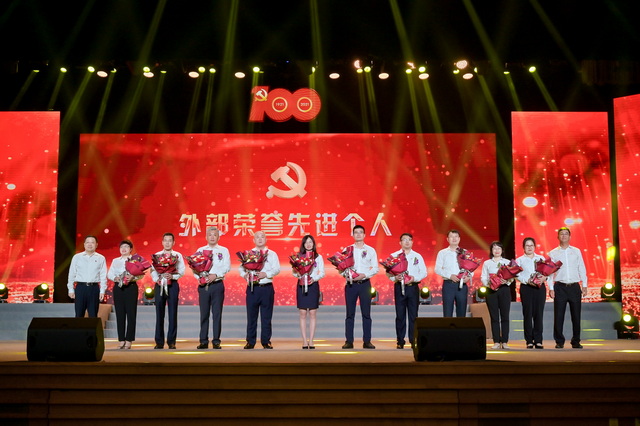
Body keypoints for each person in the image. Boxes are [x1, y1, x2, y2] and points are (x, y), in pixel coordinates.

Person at [548, 227, 588, 349]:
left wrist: (584, 285)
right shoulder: (553, 253)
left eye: (566, 234)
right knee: (558, 315)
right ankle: (559, 341)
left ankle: (576, 341)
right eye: (561, 234)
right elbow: (550, 272)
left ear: (570, 237)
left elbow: (581, 267)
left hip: (574, 287)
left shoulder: (576, 251)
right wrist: (551, 288)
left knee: (576, 316)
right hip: (560, 287)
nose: (564, 236)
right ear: (558, 237)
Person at [239, 231, 280, 349]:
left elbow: (277, 269)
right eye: (257, 237)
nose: (260, 239)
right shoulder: (248, 254)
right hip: (253, 288)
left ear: (266, 239)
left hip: (266, 288)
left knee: (266, 317)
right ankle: (250, 342)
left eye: (262, 237)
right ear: (254, 240)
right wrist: (244, 275)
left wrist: (265, 274)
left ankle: (266, 341)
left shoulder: (272, 254)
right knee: (251, 316)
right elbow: (241, 268)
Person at [387, 233, 427, 349]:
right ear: (400, 242)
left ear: (412, 242)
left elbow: (423, 272)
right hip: (399, 287)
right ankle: (400, 341)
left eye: (409, 239)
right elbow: (388, 273)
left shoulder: (417, 256)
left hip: (413, 287)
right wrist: (395, 277)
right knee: (400, 315)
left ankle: (413, 340)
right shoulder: (394, 256)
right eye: (404, 240)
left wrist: (415, 278)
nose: (407, 242)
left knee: (413, 315)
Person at [342, 225, 379, 350]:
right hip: (351, 285)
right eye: (356, 232)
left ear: (364, 235)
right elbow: (341, 267)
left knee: (366, 314)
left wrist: (364, 275)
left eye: (361, 232)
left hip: (365, 284)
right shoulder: (347, 250)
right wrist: (346, 275)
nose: (358, 234)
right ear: (353, 235)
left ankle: (367, 341)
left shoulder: (370, 250)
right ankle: (349, 341)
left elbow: (375, 268)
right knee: (349, 314)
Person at [196, 227, 230, 350]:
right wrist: (200, 278)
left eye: (214, 235)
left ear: (218, 237)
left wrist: (215, 275)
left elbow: (227, 267)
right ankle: (203, 341)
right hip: (204, 286)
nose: (212, 237)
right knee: (204, 314)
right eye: (210, 235)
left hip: (217, 285)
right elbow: (194, 267)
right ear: (206, 237)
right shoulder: (200, 250)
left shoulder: (223, 250)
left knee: (217, 314)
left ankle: (216, 341)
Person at [150, 232, 185, 350]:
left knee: (173, 313)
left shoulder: (177, 255)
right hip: (159, 285)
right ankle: (159, 342)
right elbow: (153, 270)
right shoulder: (157, 255)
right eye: (165, 240)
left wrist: (172, 276)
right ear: (162, 242)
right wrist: (158, 279)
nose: (167, 243)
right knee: (159, 313)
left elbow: (181, 270)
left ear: (173, 242)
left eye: (170, 241)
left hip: (173, 285)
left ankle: (171, 342)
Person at [107, 240, 142, 349]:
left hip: (131, 287)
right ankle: (121, 339)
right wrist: (115, 278)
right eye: (122, 247)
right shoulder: (115, 261)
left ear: (130, 249)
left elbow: (141, 274)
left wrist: (133, 277)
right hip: (118, 287)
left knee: (131, 314)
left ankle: (129, 340)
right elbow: (110, 273)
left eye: (126, 247)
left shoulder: (135, 260)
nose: (124, 249)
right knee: (120, 314)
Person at [294, 235, 325, 349]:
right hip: (301, 285)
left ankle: (311, 341)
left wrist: (314, 279)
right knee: (302, 313)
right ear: (303, 244)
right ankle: (304, 341)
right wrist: (300, 275)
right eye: (306, 242)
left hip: (313, 285)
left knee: (312, 313)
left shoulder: (318, 257)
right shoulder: (298, 257)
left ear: (313, 244)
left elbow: (322, 272)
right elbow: (294, 272)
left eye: (310, 242)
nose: (308, 244)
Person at [480, 241, 513, 349]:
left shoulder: (507, 262)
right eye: (494, 248)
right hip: (491, 291)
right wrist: (489, 284)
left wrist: (507, 281)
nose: (497, 250)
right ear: (491, 251)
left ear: (502, 250)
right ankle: (496, 341)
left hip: (504, 290)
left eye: (499, 248)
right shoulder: (487, 263)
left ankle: (505, 341)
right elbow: (483, 277)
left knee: (505, 316)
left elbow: (512, 276)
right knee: (494, 317)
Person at [516, 237, 546, 349]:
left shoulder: (541, 258)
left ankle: (538, 340)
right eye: (527, 245)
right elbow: (516, 275)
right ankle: (529, 340)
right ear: (523, 247)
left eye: (531, 245)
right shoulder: (519, 260)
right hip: (526, 288)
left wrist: (544, 278)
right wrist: (527, 281)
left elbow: (546, 272)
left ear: (535, 247)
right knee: (527, 314)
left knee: (539, 314)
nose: (529, 247)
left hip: (540, 288)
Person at [67, 235, 108, 318]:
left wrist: (102, 291)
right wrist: (70, 289)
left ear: (96, 245)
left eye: (92, 242)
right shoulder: (77, 257)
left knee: (93, 315)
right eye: (87, 242)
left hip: (94, 288)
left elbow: (103, 276)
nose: (90, 244)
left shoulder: (101, 258)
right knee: (79, 315)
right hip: (80, 288)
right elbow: (72, 274)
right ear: (84, 244)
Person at [435, 230, 472, 317]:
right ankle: (448, 327)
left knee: (462, 313)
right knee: (447, 313)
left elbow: (471, 268)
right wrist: (450, 276)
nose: (454, 239)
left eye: (456, 236)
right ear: (447, 239)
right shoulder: (442, 253)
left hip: (462, 285)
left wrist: (468, 277)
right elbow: (437, 269)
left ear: (459, 239)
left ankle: (460, 327)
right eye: (451, 237)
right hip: (448, 285)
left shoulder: (465, 252)